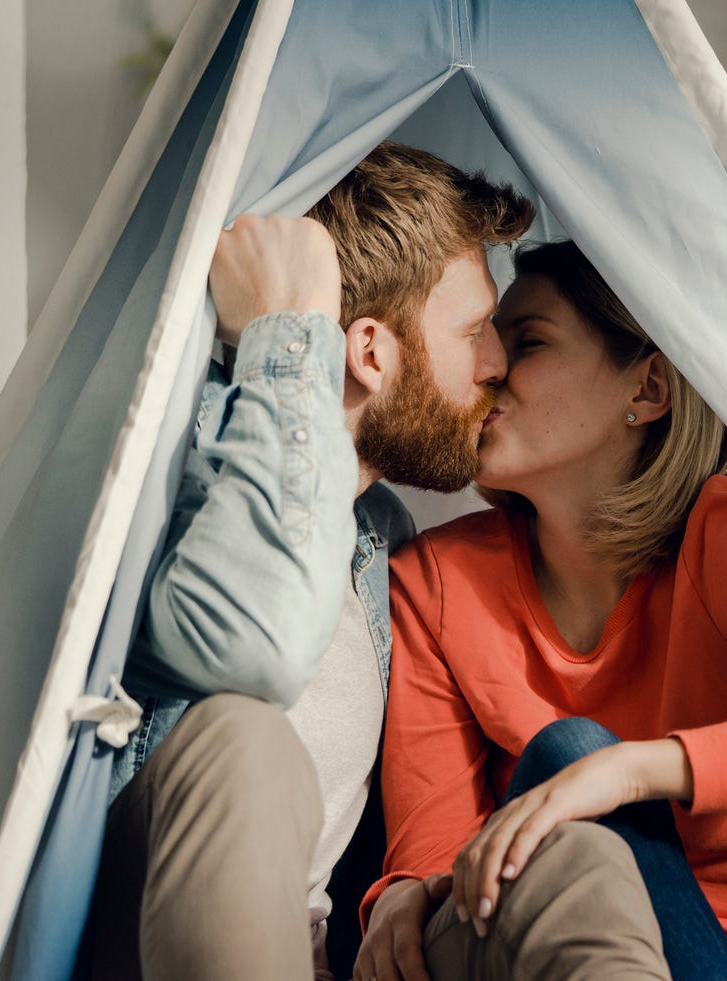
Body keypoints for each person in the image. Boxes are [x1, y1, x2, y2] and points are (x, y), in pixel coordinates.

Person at [356, 240, 727, 981]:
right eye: (485, 339)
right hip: (624, 961)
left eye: (530, 341)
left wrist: (638, 770)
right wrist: (400, 896)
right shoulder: (435, 583)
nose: (489, 369)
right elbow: (434, 861)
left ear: (647, 390)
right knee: (566, 753)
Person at [89, 141, 533, 981]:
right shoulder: (195, 465)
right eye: (475, 331)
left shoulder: (384, 537)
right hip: (141, 936)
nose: (497, 363)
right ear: (368, 352)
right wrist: (289, 331)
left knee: (570, 868)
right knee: (243, 737)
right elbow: (256, 647)